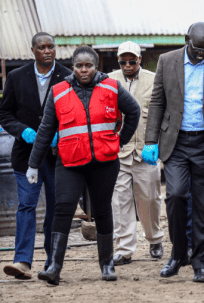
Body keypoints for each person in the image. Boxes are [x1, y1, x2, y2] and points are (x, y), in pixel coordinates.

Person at [27, 45, 140, 285]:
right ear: (73, 67)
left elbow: (134, 111)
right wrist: (33, 164)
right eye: (79, 66)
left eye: (88, 65)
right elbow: (46, 129)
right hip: (69, 161)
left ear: (96, 66)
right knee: (63, 208)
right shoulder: (58, 91)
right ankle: (54, 267)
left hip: (104, 162)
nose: (84, 70)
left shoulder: (111, 86)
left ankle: (107, 264)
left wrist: (119, 141)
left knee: (102, 210)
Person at [142, 22, 204, 283]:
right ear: (186, 40)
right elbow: (158, 100)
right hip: (176, 142)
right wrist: (151, 140)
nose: (201, 54)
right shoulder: (167, 61)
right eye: (197, 49)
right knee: (177, 196)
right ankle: (178, 253)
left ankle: (201, 263)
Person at [0, 32, 71, 280]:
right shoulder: (17, 77)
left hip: (57, 157)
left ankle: (53, 262)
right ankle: (22, 262)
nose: (48, 51)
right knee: (27, 205)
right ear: (33, 50)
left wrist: (60, 134)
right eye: (42, 47)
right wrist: (24, 132)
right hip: (25, 155)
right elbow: (5, 114)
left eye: (51, 46)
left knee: (55, 207)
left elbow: (77, 113)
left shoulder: (68, 77)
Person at [109, 41, 164, 265]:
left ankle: (154, 239)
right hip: (118, 151)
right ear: (119, 62)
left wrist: (158, 142)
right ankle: (124, 249)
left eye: (132, 61)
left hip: (146, 151)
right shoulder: (109, 80)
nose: (128, 65)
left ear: (140, 60)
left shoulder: (154, 79)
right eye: (123, 61)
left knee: (149, 199)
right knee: (120, 201)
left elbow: (162, 112)